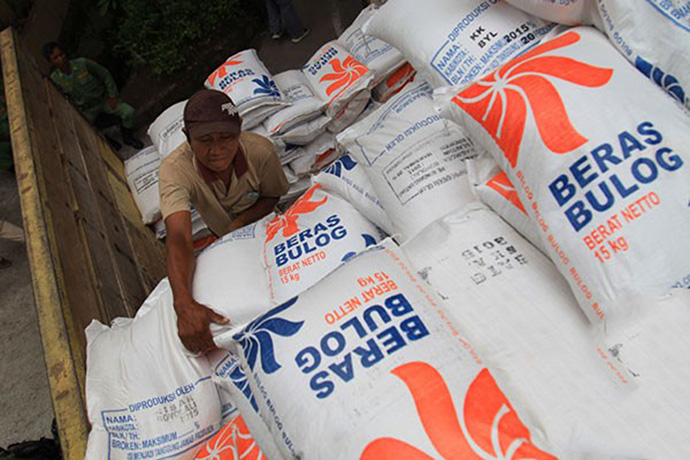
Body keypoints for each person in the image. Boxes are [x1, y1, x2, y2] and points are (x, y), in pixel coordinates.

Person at [159, 89, 289, 354]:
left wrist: (241, 222)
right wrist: (183, 304)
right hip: (225, 243)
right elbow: (179, 237)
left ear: (239, 128)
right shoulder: (175, 171)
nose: (217, 151)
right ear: (187, 137)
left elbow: (272, 196)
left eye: (227, 138)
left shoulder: (260, 152)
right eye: (205, 140)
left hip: (269, 230)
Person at [42, 42, 143, 149]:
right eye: (55, 58)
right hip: (86, 110)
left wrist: (113, 95)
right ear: (51, 62)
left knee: (128, 112)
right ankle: (109, 143)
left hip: (103, 100)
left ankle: (128, 137)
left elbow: (105, 75)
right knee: (84, 131)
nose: (61, 59)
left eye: (61, 54)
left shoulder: (82, 63)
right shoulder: (56, 79)